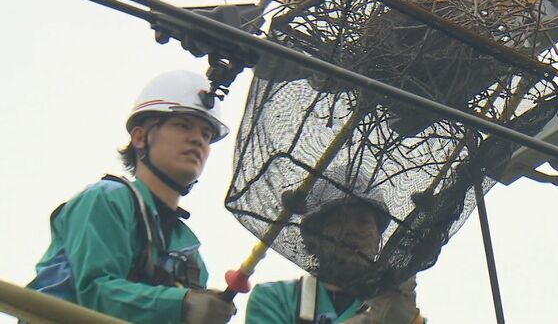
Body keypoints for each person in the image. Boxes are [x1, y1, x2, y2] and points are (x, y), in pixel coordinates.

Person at [26, 70, 237, 324]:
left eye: (206, 135)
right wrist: (183, 304)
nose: (197, 140)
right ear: (139, 137)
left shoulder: (190, 257)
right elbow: (94, 293)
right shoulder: (107, 200)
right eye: (182, 125)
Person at [245, 167, 423, 324]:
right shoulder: (276, 298)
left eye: (363, 221)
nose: (352, 230)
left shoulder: (398, 309)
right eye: (338, 220)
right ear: (312, 239)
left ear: (378, 240)